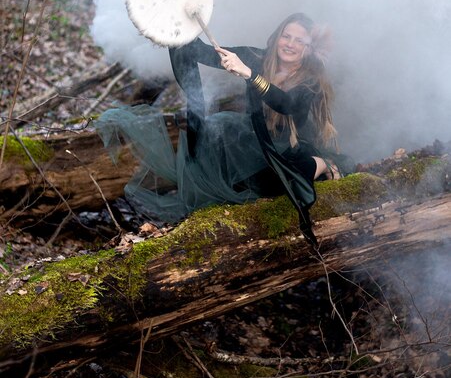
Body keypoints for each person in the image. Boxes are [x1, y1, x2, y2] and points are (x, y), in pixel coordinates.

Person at [96, 13, 344, 246]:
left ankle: (322, 164)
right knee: (220, 147)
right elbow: (200, 52)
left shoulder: (310, 80)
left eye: (299, 40)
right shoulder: (258, 58)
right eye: (286, 36)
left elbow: (286, 104)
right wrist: (174, 26)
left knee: (278, 184)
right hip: (255, 139)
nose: (289, 44)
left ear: (308, 48)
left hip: (289, 148)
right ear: (278, 36)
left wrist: (248, 74)